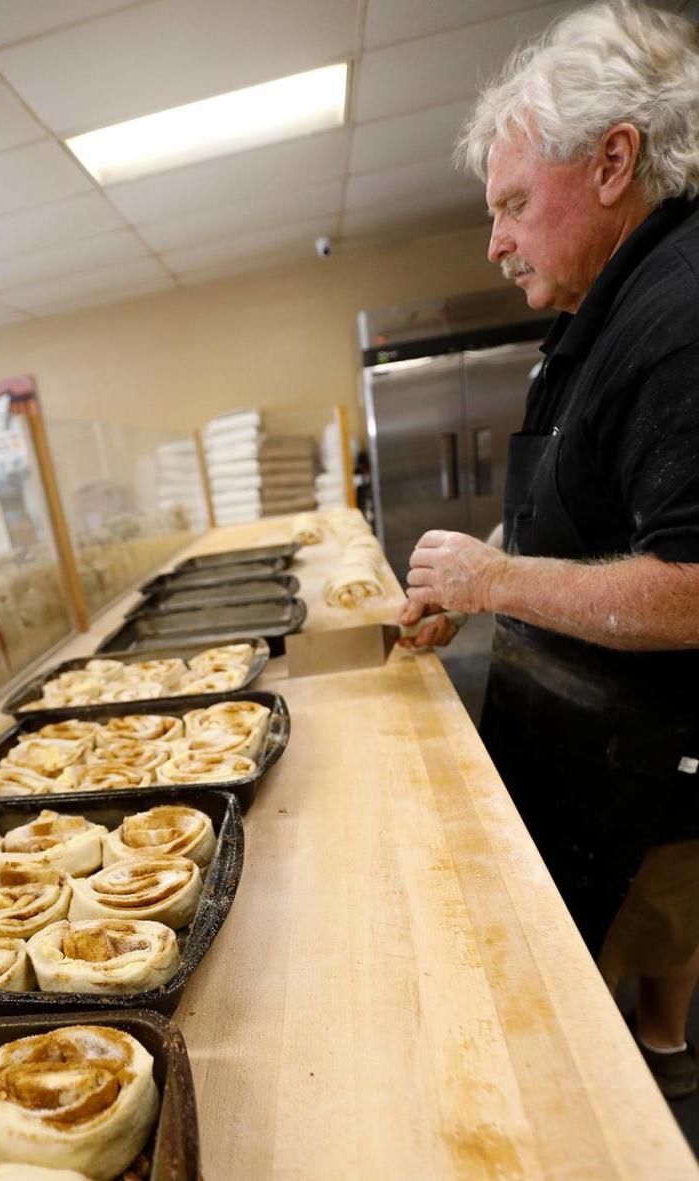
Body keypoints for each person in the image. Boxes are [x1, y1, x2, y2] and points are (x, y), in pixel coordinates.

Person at [397, 0, 699, 1098]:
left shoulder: (682, 310)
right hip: (570, 757)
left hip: (640, 783)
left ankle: (657, 1075)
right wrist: (473, 577)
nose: (497, 239)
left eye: (516, 204)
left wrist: (494, 579)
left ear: (616, 158)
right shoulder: (597, 315)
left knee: (592, 1057)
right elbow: (570, 516)